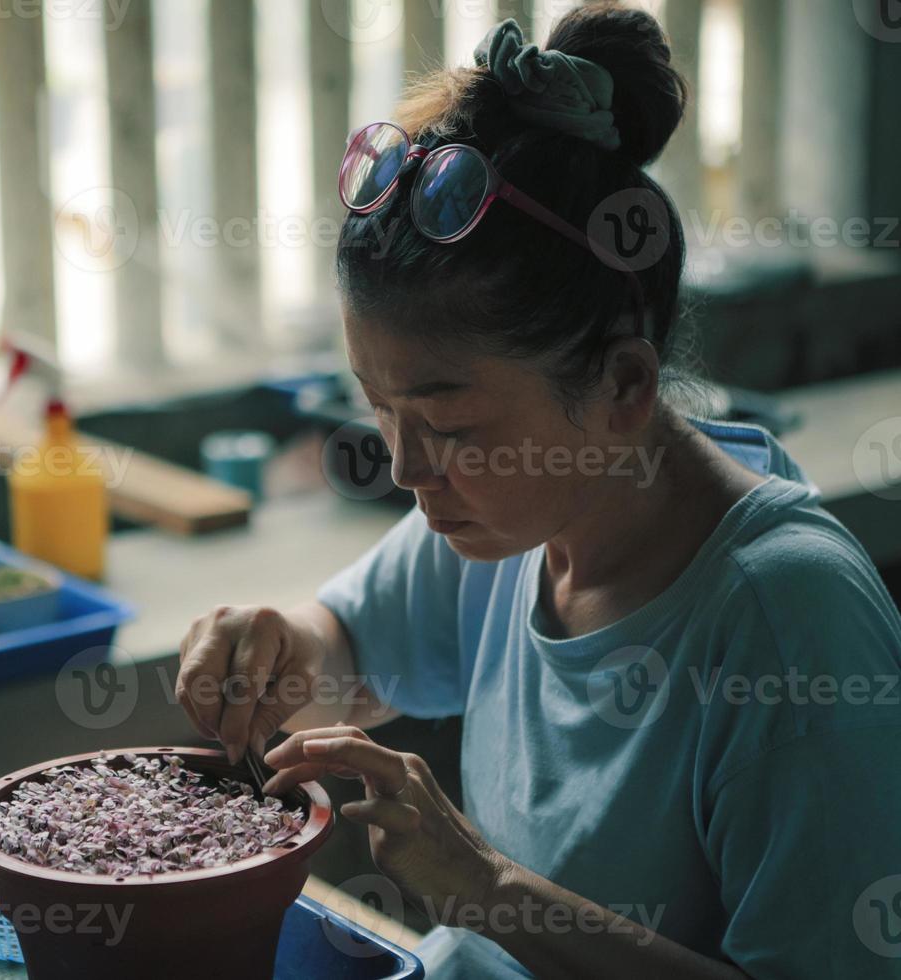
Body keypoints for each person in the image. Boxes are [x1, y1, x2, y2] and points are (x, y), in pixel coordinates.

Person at [176, 5, 901, 978]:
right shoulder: (512, 521)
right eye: (380, 411)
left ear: (624, 387)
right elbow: (351, 646)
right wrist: (272, 649)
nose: (405, 469)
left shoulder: (785, 620)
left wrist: (488, 889)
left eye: (450, 426)